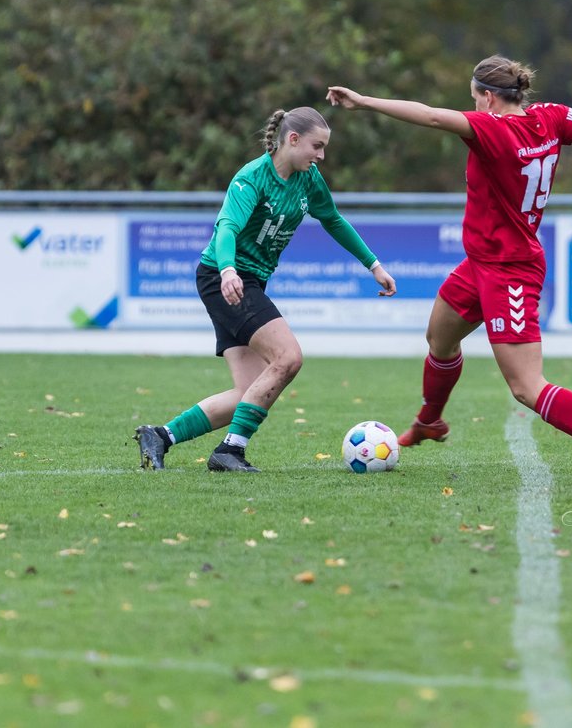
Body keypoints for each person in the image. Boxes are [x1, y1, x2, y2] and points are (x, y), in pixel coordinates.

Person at [326, 55, 572, 486]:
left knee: (527, 387)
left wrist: (364, 101)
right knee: (440, 337)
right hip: (481, 262)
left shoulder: (492, 129)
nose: (470, 108)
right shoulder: (551, 117)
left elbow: (432, 117)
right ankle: (429, 421)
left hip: (511, 269)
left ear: (489, 98)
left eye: (474, 99)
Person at [136, 107, 397, 472]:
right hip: (223, 277)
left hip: (248, 281)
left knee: (248, 393)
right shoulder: (252, 178)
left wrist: (374, 265)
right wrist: (228, 270)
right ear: (292, 140)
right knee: (288, 357)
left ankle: (160, 436)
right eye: (316, 146)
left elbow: (333, 219)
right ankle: (230, 451)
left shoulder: (309, 179)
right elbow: (226, 227)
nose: (321, 155)